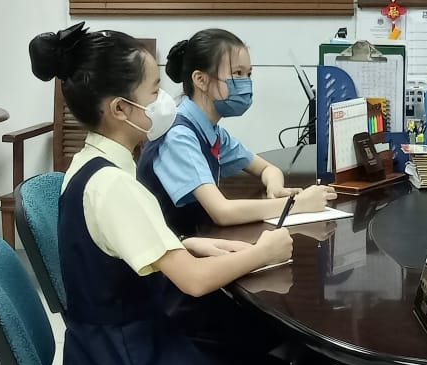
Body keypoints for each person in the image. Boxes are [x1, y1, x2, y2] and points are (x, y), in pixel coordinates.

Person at [29, 23, 331, 365]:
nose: (165, 102)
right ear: (120, 109)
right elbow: (191, 283)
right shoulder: (115, 187)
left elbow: (123, 246)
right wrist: (263, 252)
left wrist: (189, 244)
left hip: (104, 354)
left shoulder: (91, 165)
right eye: (153, 92)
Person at [137, 28, 335, 235]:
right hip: (169, 249)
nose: (246, 83)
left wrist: (275, 188)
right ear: (201, 80)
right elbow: (222, 212)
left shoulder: (211, 131)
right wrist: (297, 204)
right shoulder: (178, 136)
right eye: (237, 73)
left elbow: (267, 169)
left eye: (249, 74)